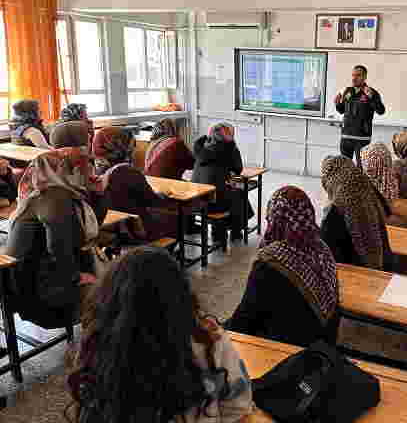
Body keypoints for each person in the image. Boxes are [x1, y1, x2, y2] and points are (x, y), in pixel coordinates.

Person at [68, 247, 253, 423]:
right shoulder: (208, 340)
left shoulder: (97, 339)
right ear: (181, 293)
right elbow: (238, 406)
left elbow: (88, 404)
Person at [5, 147, 107, 330]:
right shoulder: (53, 196)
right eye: (83, 168)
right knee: (118, 291)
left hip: (39, 280)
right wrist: (76, 277)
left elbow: (92, 229)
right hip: (38, 294)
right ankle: (99, 344)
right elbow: (58, 247)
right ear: (65, 170)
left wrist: (98, 194)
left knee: (116, 282)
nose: (91, 172)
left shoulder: (56, 193)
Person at [225, 186, 339, 347]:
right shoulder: (323, 249)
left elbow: (243, 322)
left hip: (286, 350)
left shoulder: (271, 263)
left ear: (276, 221)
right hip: (323, 343)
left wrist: (222, 330)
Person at [93, 126, 170, 242]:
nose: (134, 148)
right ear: (122, 146)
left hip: (111, 230)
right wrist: (164, 195)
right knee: (171, 221)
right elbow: (153, 200)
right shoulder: (127, 172)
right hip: (134, 231)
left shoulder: (96, 170)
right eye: (132, 144)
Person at [320, 155, 394, 271]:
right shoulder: (370, 195)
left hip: (355, 275)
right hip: (385, 268)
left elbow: (329, 262)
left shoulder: (333, 216)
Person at [192, 123, 254, 243]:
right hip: (214, 203)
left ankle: (219, 233)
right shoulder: (229, 149)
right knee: (238, 195)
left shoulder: (200, 148)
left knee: (224, 192)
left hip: (196, 200)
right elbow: (238, 169)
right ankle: (235, 232)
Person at [334, 65, 385, 167]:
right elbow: (341, 110)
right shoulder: (348, 91)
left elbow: (381, 111)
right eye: (353, 75)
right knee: (345, 167)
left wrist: (372, 97)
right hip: (346, 136)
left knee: (362, 167)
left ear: (364, 77)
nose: (354, 78)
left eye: (358, 75)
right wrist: (337, 103)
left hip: (362, 138)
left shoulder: (371, 92)